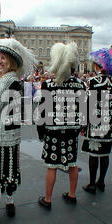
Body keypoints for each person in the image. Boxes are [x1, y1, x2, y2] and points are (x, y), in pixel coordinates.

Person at [0, 38, 36, 222]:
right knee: (10, 168)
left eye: (3, 58)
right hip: (13, 133)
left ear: (11, 61)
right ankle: (10, 203)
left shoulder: (5, 81)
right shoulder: (15, 80)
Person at [36, 42, 86, 209]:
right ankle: (72, 194)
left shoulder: (49, 85)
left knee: (52, 166)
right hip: (72, 131)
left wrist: (40, 131)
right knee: (72, 162)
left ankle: (48, 199)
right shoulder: (80, 85)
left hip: (53, 131)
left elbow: (42, 113)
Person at [81, 48, 112, 193]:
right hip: (109, 124)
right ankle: (101, 181)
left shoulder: (93, 82)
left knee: (94, 155)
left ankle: (92, 183)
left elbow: (86, 104)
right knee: (105, 155)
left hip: (96, 123)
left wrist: (83, 125)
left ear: (98, 66)